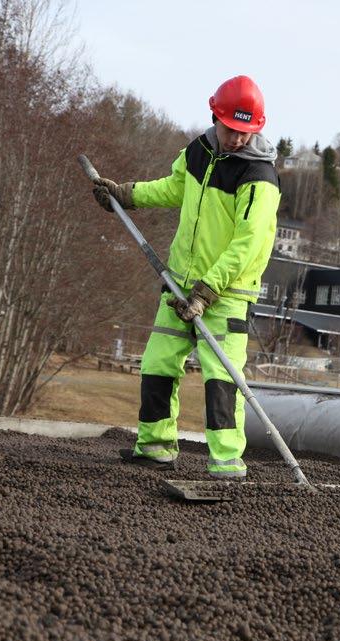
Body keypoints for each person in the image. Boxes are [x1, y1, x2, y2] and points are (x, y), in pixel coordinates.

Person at [91, 75, 280, 479]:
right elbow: (172, 188)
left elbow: (248, 244)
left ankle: (226, 462)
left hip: (225, 293)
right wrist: (125, 195)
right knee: (158, 364)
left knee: (221, 377)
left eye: (247, 132)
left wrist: (208, 290)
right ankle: (155, 446)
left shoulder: (260, 179)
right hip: (179, 286)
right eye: (231, 130)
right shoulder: (197, 153)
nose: (237, 139)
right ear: (216, 116)